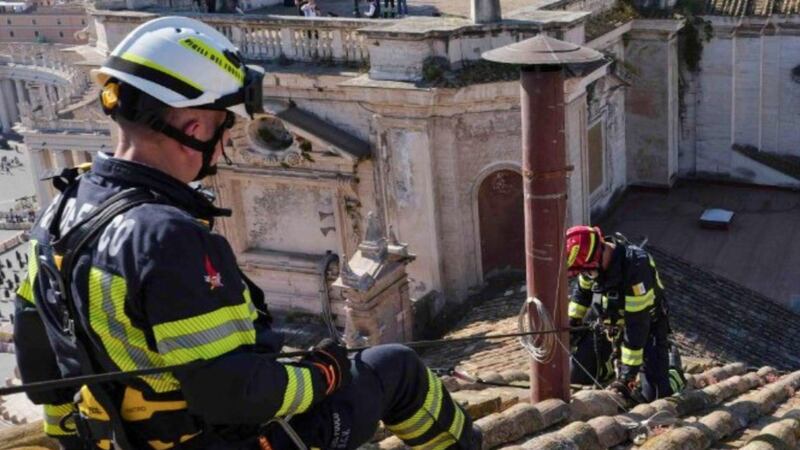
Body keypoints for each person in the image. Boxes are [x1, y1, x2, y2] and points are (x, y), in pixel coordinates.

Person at [14, 16, 479, 450]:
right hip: (228, 440)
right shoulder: (166, 238)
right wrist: (325, 373)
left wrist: (71, 437)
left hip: (116, 440)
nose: (223, 145)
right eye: (224, 128)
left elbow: (38, 355)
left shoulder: (58, 213)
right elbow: (237, 393)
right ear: (194, 128)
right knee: (395, 367)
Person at [565, 225, 685, 403]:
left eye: (587, 271)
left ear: (599, 256)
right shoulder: (590, 265)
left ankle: (674, 371)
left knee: (654, 395)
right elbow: (582, 293)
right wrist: (572, 323)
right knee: (576, 374)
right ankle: (606, 368)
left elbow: (636, 326)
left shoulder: (636, 268)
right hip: (609, 325)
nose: (586, 275)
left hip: (646, 328)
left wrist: (627, 377)